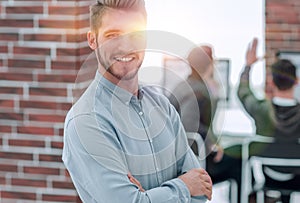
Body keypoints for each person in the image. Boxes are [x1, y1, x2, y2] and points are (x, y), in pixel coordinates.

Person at [62, 0, 213, 202]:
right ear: (93, 40)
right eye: (112, 35)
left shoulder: (163, 107)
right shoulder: (86, 121)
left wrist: (148, 196)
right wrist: (184, 186)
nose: (125, 46)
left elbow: (202, 191)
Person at [169, 45, 242, 202]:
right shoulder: (197, 90)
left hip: (180, 156)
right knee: (239, 161)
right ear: (210, 64)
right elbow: (189, 125)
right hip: (194, 160)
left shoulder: (184, 85)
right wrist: (211, 143)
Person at [238, 38, 300, 203]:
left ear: (271, 82)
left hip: (268, 173)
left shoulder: (261, 109)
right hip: (297, 175)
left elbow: (243, 93)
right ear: (296, 81)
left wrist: (248, 66)